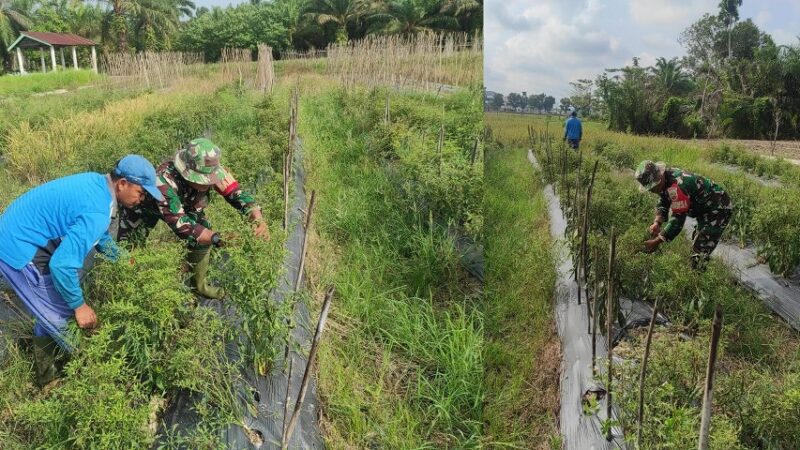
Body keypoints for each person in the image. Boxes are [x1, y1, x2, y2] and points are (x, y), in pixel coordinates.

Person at [0, 155, 162, 386]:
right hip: (17, 248)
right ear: (122, 183)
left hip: (24, 235)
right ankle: (56, 378)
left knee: (54, 306)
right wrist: (80, 306)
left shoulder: (97, 185)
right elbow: (62, 265)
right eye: (141, 192)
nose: (141, 199)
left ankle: (48, 368)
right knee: (65, 318)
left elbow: (101, 236)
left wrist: (124, 260)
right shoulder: (97, 209)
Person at [116, 138, 270, 300]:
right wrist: (218, 239)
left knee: (202, 227)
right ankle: (130, 293)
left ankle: (198, 286)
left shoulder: (211, 169)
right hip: (143, 208)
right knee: (129, 248)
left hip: (183, 204)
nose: (209, 184)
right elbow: (184, 227)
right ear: (187, 172)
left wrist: (258, 219)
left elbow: (237, 194)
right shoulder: (164, 181)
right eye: (203, 180)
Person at [634, 160, 733, 269]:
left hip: (718, 209)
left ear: (659, 178)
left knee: (701, 248)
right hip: (703, 208)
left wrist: (656, 241)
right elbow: (664, 200)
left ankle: (696, 279)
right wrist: (657, 222)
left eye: (653, 187)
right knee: (698, 241)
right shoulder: (665, 179)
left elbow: (677, 220)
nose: (652, 191)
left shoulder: (677, 187)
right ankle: (697, 270)